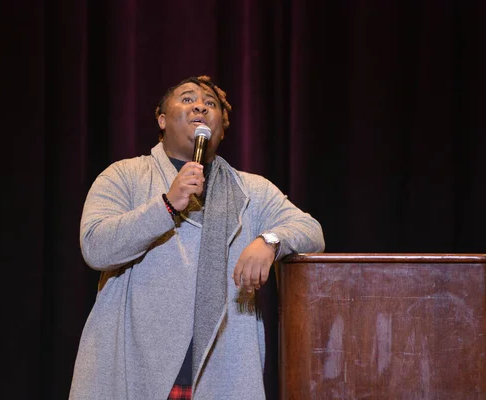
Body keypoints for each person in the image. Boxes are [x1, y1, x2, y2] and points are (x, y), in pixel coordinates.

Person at [69, 76, 325, 399]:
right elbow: (95, 244)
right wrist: (164, 205)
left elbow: (311, 230)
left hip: (219, 373)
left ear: (221, 128)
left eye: (211, 104)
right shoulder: (126, 176)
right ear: (161, 119)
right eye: (187, 99)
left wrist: (271, 240)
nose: (201, 106)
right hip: (135, 368)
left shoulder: (250, 190)